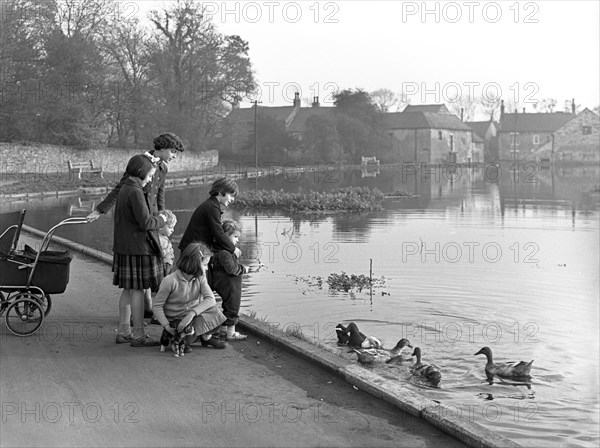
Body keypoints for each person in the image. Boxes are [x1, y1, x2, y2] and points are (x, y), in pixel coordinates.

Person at [112, 154, 167, 347]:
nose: (151, 179)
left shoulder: (125, 187)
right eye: (150, 175)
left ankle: (124, 331)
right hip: (137, 248)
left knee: (128, 291)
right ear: (141, 172)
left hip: (125, 246)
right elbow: (146, 223)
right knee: (137, 290)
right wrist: (163, 220)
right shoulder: (135, 191)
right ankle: (138, 335)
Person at [87, 132, 184, 223]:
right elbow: (121, 188)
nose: (175, 156)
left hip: (152, 217)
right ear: (162, 148)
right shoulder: (141, 163)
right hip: (137, 215)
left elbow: (160, 195)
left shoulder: (164, 168)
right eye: (173, 152)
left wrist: (162, 216)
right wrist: (99, 211)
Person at [152, 242, 228, 350]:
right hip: (175, 320)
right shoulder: (169, 281)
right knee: (183, 332)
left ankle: (205, 337)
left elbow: (211, 299)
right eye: (205, 265)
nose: (206, 269)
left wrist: (192, 314)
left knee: (216, 311)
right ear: (195, 263)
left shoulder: (200, 277)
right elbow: (157, 306)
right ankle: (176, 338)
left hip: (192, 317)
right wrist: (167, 326)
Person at [178, 177, 241, 286]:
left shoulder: (212, 205)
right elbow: (218, 233)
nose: (232, 199)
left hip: (194, 250)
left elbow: (216, 233)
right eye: (231, 195)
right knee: (191, 286)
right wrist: (233, 249)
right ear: (221, 193)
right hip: (192, 252)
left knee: (195, 285)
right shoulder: (211, 207)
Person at [211, 220, 249, 341]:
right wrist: (244, 269)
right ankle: (230, 333)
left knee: (227, 305)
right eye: (235, 237)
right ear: (226, 237)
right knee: (233, 307)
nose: (237, 240)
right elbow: (232, 269)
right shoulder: (224, 253)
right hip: (229, 284)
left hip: (224, 282)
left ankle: (223, 331)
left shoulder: (220, 250)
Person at [145, 210, 177, 321]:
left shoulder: (157, 237)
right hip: (163, 268)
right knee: (163, 291)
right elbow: (161, 254)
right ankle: (157, 315)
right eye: (170, 227)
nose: (172, 230)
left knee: (148, 289)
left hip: (162, 267)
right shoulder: (161, 240)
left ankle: (148, 308)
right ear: (160, 227)